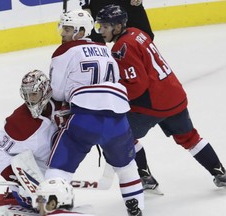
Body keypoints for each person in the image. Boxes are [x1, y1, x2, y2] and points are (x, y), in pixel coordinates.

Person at [95, 4, 226, 190]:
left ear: (118, 27)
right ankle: (221, 174)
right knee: (190, 138)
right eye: (100, 26)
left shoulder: (121, 48)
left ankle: (145, 178)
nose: (101, 30)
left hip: (152, 104)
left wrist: (114, 96)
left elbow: (137, 86)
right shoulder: (137, 33)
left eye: (105, 26)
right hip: (174, 96)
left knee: (119, 135)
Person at [45, 9, 144, 216]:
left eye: (68, 28)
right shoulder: (106, 49)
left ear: (81, 31)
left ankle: (54, 209)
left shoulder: (64, 52)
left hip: (85, 119)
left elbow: (58, 92)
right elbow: (116, 80)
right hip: (118, 119)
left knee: (59, 168)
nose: (63, 33)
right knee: (126, 168)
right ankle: (137, 208)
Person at [0, 70, 63, 210]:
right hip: (34, 173)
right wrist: (16, 177)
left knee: (60, 200)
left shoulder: (61, 107)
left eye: (34, 94)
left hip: (53, 168)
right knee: (47, 205)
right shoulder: (20, 122)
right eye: (26, 95)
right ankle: (18, 196)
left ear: (45, 91)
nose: (30, 100)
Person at [79, 0, 154, 43]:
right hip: (99, 2)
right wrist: (85, 5)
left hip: (128, 2)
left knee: (145, 36)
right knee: (97, 41)